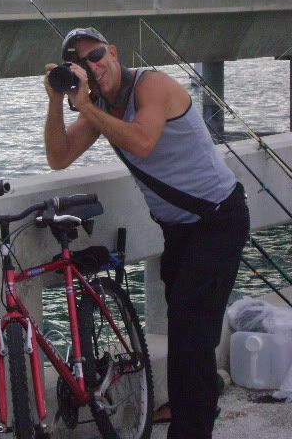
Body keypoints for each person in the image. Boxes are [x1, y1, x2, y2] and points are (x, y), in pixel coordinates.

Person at [43, 27, 250, 439]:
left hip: (217, 220)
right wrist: (55, 101)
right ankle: (198, 396)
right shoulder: (100, 108)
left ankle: (191, 426)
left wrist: (87, 107)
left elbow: (141, 142)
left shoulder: (151, 85)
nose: (93, 67)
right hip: (178, 230)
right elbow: (58, 156)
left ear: (114, 53)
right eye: (80, 64)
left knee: (190, 327)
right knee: (188, 326)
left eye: (96, 55)